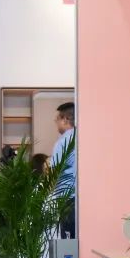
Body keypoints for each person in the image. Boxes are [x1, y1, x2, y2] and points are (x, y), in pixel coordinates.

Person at [52, 102, 77, 239]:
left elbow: (54, 172)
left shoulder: (63, 141)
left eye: (57, 119)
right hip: (81, 199)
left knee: (67, 244)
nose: (56, 122)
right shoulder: (82, 138)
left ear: (65, 119)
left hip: (68, 199)